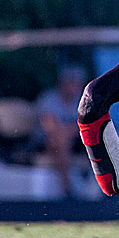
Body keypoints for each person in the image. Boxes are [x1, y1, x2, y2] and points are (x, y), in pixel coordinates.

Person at [34, 65, 87, 197]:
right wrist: (73, 129)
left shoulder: (81, 101)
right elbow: (51, 127)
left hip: (75, 141)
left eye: (78, 83)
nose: (75, 86)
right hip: (45, 142)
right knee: (61, 139)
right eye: (72, 82)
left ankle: (103, 188)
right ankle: (67, 189)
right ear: (64, 83)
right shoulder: (49, 99)